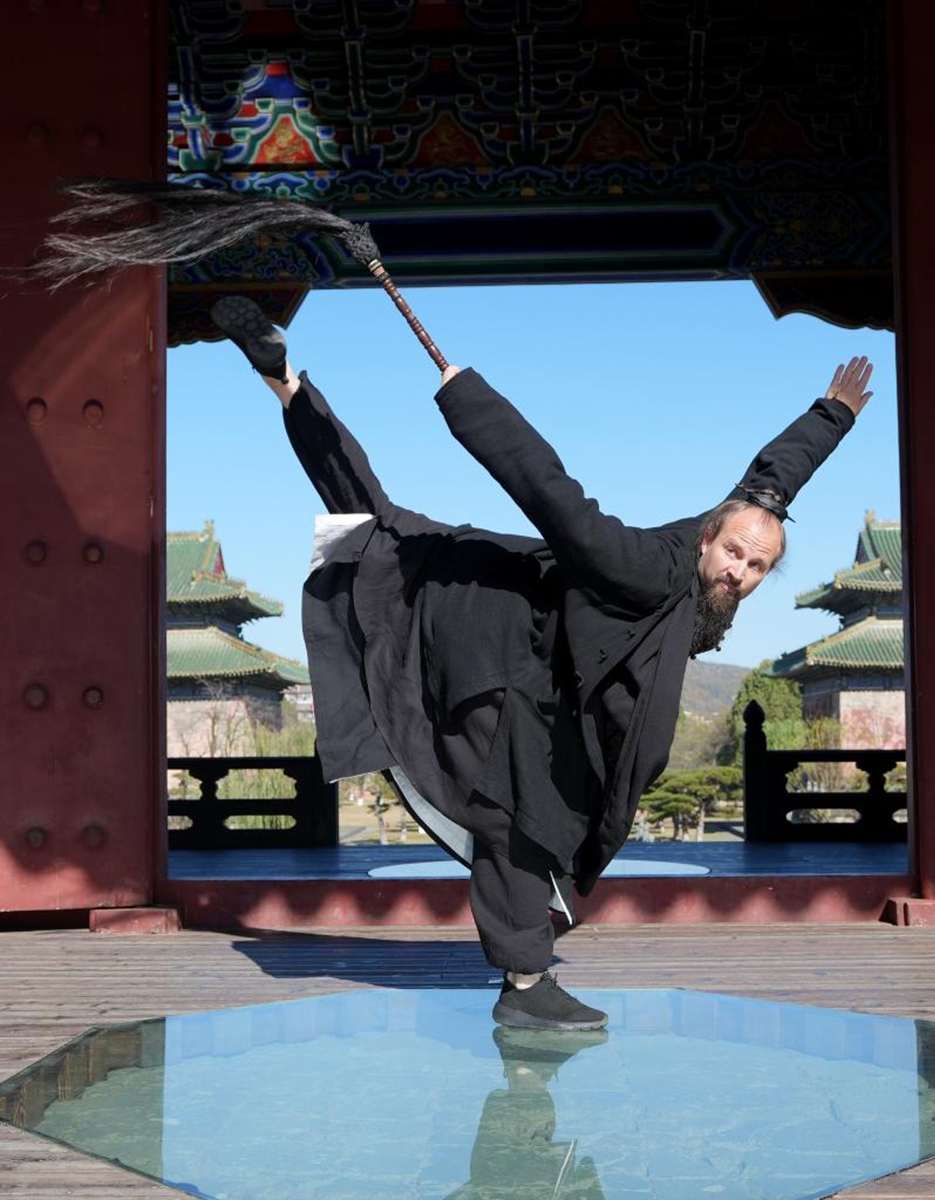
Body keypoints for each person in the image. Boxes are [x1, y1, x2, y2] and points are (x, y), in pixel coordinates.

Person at [211, 296, 873, 1032]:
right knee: (515, 821)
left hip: (541, 663)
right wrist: (465, 394)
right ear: (705, 538)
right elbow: (549, 490)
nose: (739, 572)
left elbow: (770, 482)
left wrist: (832, 415)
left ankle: (286, 383)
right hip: (501, 650)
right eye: (734, 554)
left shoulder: (726, 540)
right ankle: (525, 983)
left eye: (756, 566)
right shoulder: (644, 567)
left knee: (376, 523)